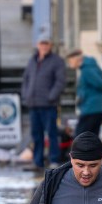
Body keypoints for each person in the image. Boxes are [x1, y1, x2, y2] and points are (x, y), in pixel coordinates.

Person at [21, 36, 66, 169]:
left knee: (51, 134)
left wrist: (51, 96)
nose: (44, 46)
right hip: (33, 104)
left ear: (51, 45)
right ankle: (37, 161)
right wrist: (26, 95)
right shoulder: (32, 60)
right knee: (36, 135)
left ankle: (54, 161)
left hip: (48, 105)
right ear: (37, 44)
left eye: (46, 44)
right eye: (42, 43)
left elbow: (60, 82)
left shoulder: (57, 61)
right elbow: (26, 79)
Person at [66, 49, 102, 138]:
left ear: (76, 59)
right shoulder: (88, 67)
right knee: (91, 137)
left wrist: (83, 97)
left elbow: (100, 84)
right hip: (94, 108)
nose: (69, 64)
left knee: (80, 137)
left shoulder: (87, 70)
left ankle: (83, 152)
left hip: (91, 108)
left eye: (70, 61)